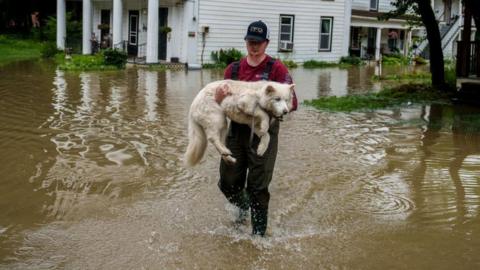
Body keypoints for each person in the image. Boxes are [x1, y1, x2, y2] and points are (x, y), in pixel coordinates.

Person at [215, 20, 298, 236]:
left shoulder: (277, 69)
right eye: (251, 41)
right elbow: (219, 103)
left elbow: (292, 102)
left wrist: (270, 106)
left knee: (258, 188)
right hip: (235, 132)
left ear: (266, 43)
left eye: (259, 43)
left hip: (264, 133)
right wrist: (217, 98)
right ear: (246, 42)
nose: (254, 46)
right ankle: (244, 208)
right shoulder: (233, 69)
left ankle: (258, 237)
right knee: (227, 183)